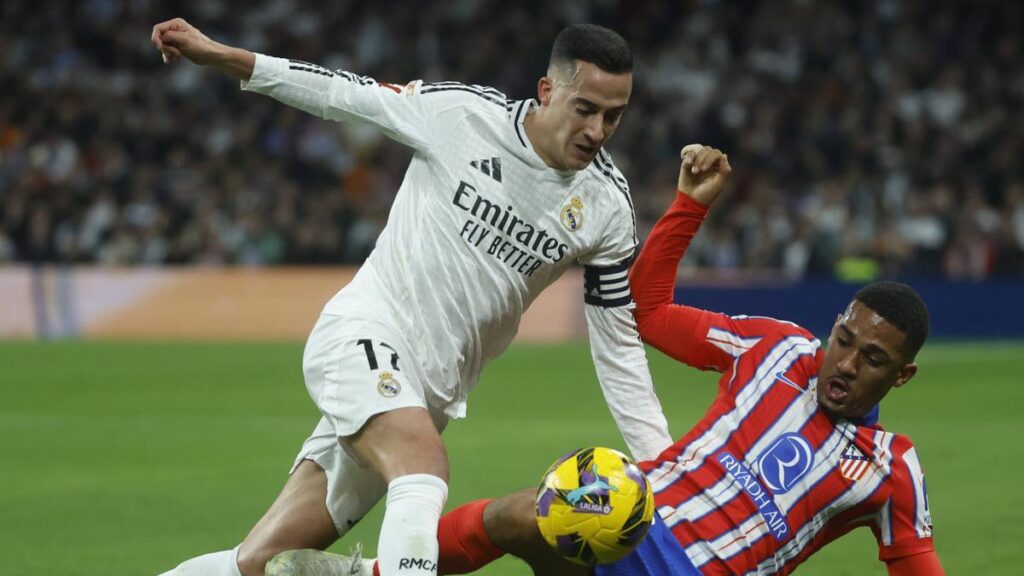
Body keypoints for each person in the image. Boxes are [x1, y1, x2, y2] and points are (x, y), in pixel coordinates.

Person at [151, 18, 673, 576]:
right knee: (424, 468)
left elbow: (620, 347)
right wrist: (222, 56)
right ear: (548, 92)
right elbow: (339, 93)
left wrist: (665, 469)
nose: (597, 130)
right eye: (585, 108)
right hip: (366, 334)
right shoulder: (460, 116)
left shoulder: (608, 207)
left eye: (612, 116)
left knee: (257, 564)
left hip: (429, 394)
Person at [281, 144, 945, 575]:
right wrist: (687, 206)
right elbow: (649, 313)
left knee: (519, 517)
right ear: (834, 328)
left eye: (874, 360)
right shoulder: (776, 348)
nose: (848, 364)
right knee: (515, 515)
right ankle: (365, 574)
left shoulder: (890, 468)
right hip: (628, 519)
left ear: (902, 375)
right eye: (846, 341)